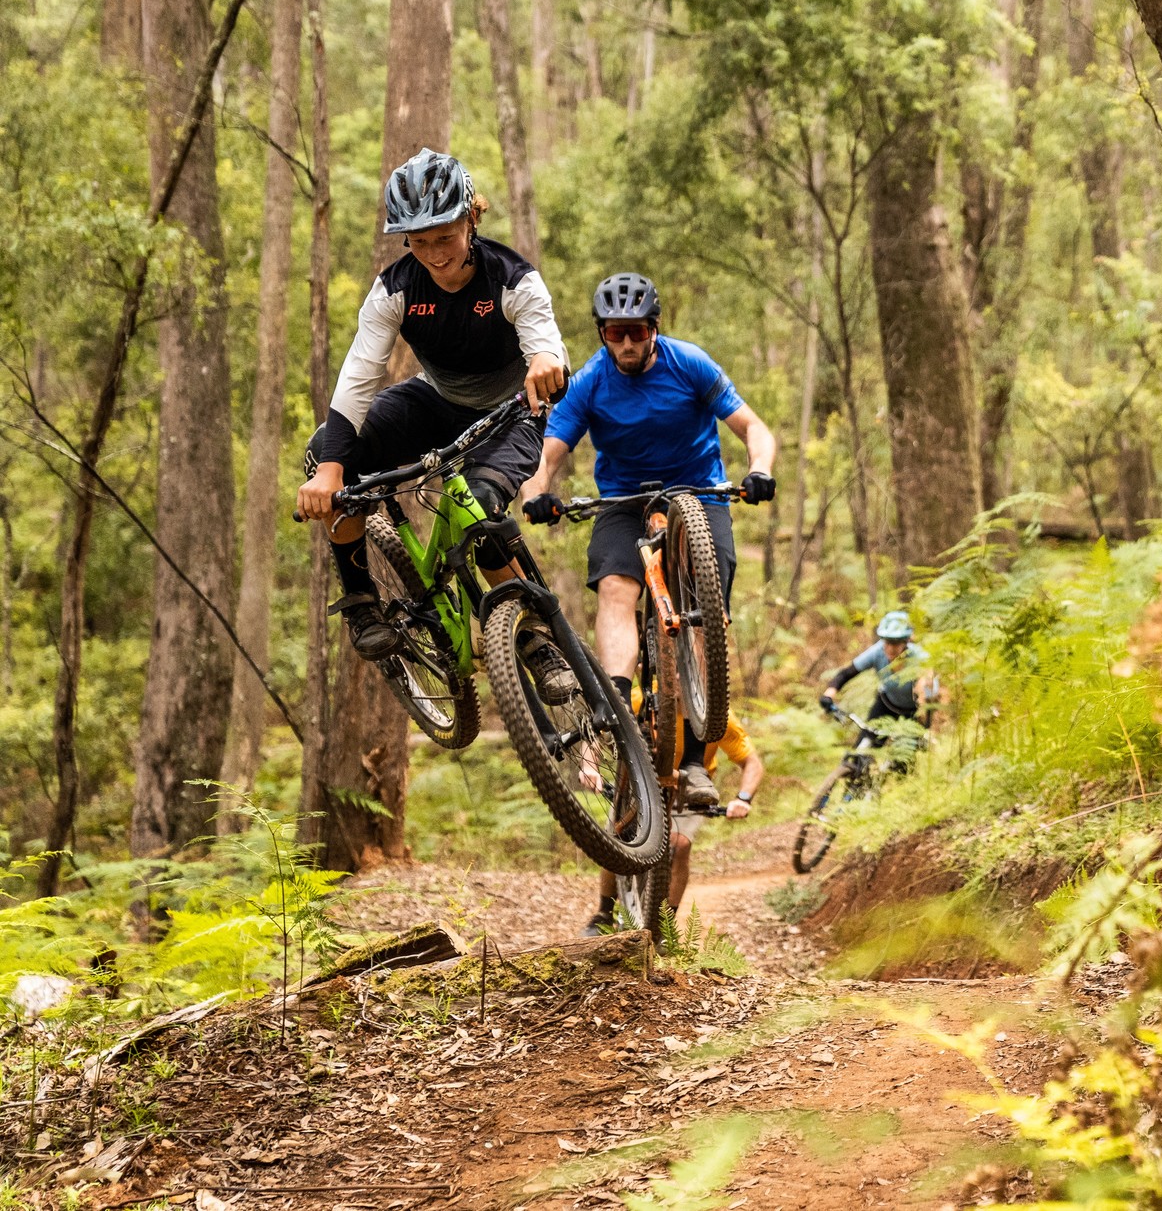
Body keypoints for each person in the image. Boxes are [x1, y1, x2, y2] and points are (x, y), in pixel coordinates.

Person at [295, 148, 573, 696]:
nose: (434, 254)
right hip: (435, 400)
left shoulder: (513, 278)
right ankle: (361, 604)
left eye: (443, 237)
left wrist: (546, 362)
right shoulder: (396, 289)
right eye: (418, 242)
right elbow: (358, 376)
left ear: (472, 218)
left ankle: (536, 639)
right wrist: (331, 470)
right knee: (326, 452)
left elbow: (547, 346)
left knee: (479, 508)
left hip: (510, 414)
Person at [517, 270, 776, 809]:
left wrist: (761, 468)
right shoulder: (590, 381)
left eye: (636, 331)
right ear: (603, 334)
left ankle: (694, 760)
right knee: (616, 589)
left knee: (706, 617)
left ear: (654, 329)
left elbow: (754, 427)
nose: (628, 342)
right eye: (615, 333)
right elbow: (551, 448)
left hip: (701, 495)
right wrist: (536, 489)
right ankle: (616, 701)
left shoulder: (691, 364)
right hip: (624, 501)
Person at [584, 714, 764, 935]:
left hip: (687, 789)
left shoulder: (719, 715)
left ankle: (664, 929)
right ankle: (603, 913)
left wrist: (743, 798)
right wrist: (589, 765)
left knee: (681, 845)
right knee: (617, 837)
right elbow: (597, 726)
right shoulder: (639, 697)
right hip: (639, 782)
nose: (678, 678)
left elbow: (752, 762)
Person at [820, 610, 941, 748]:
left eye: (895, 643)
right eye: (887, 642)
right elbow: (846, 673)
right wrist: (829, 694)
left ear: (906, 641)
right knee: (860, 752)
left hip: (913, 714)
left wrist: (924, 725)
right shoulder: (877, 652)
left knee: (901, 760)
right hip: (886, 706)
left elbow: (930, 698)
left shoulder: (920, 659)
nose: (889, 648)